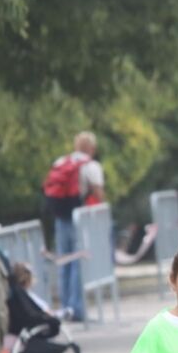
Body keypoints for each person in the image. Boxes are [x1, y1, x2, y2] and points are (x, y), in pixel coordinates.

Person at [43, 131, 106, 321]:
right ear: (92, 148)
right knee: (79, 262)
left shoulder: (60, 162)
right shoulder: (91, 166)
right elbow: (98, 194)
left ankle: (64, 308)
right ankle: (77, 309)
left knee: (64, 262)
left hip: (61, 217)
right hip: (81, 220)